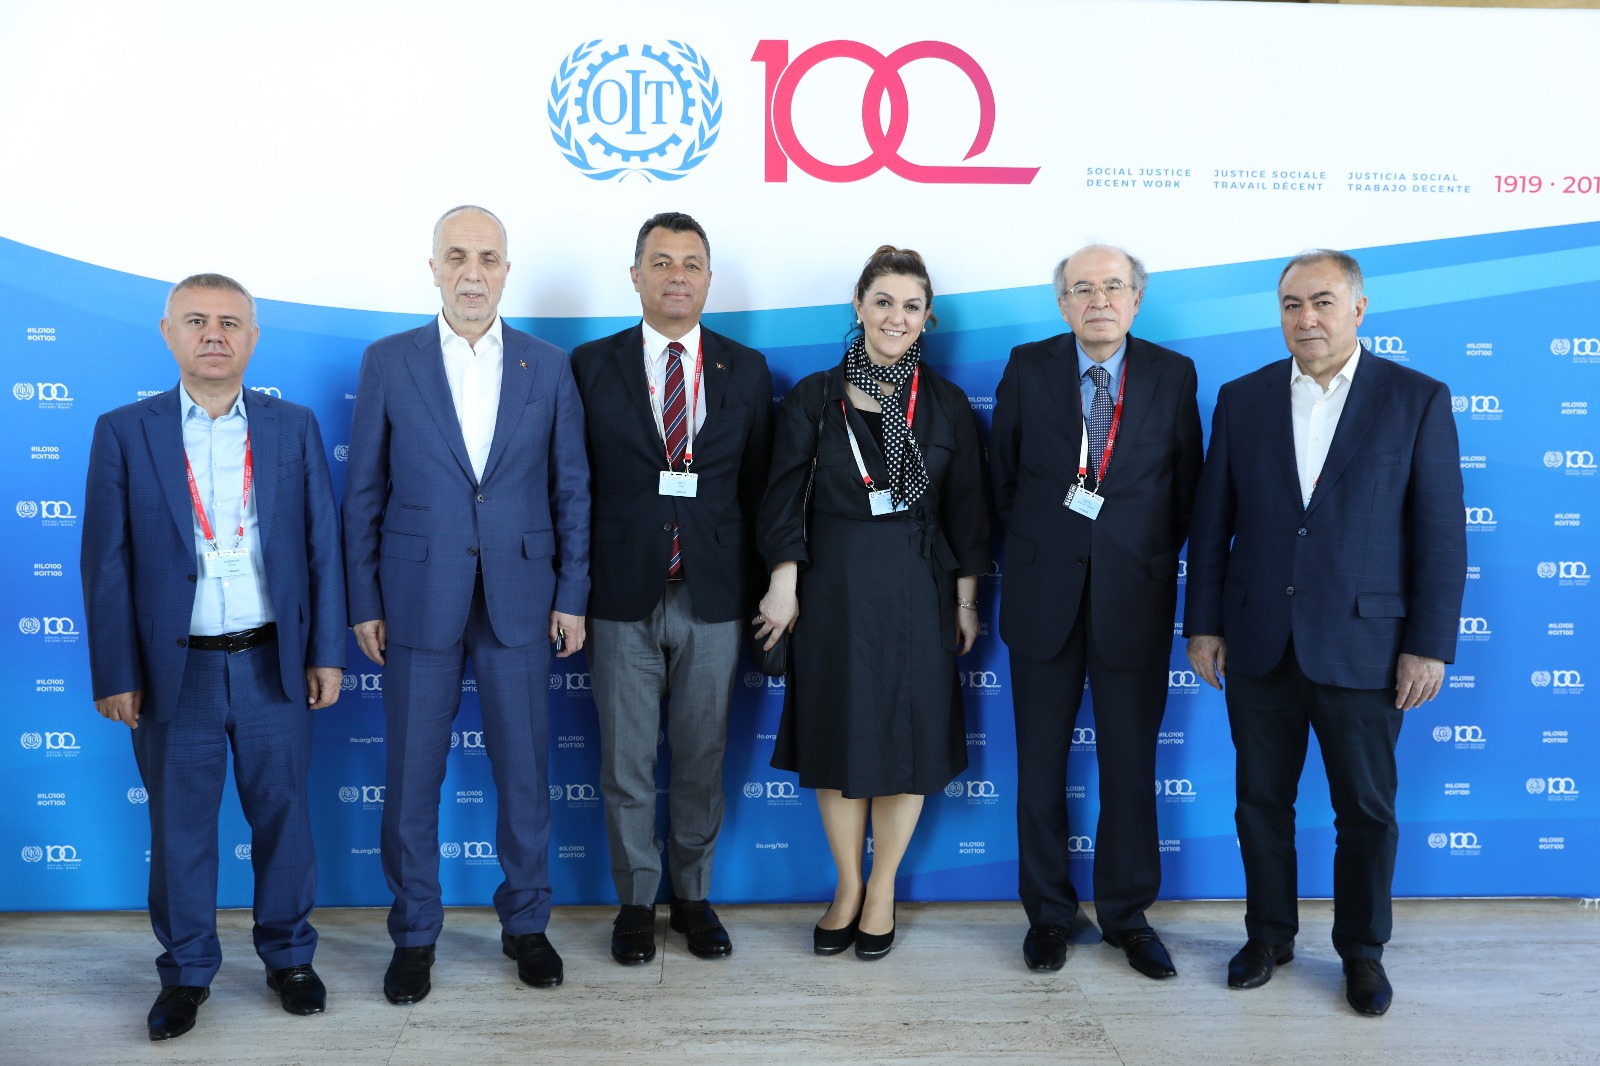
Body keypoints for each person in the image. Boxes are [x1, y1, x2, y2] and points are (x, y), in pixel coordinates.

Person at [1185, 249, 1466, 1017]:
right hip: (1258, 640)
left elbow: (1441, 535)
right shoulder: (1241, 399)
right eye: (1291, 305)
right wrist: (1203, 624)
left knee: (1366, 812)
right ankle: (1268, 937)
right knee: (1259, 803)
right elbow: (1212, 526)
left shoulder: (1416, 398)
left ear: (1358, 309)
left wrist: (1428, 643)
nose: (1305, 318)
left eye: (1322, 302)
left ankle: (1363, 953)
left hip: (1366, 645)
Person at [81, 273, 346, 1040]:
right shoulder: (124, 432)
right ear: (168, 332)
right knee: (180, 830)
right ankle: (187, 973)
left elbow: (322, 548)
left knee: (285, 818)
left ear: (253, 338)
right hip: (176, 671)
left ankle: (289, 958)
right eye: (195, 320)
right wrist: (117, 672)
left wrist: (326, 651)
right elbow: (105, 563)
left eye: (230, 322)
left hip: (272, 660)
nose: (213, 335)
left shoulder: (292, 427)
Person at [343, 205, 590, 1003]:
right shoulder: (389, 361)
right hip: (415, 597)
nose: (472, 273)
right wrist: (363, 600)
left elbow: (572, 489)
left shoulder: (549, 366)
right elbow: (363, 493)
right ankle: (414, 934)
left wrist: (574, 594)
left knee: (525, 774)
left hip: (524, 597)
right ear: (434, 268)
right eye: (457, 256)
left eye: (487, 258)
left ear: (506, 270)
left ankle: (527, 924)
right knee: (412, 778)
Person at [755, 246, 990, 961]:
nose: (896, 317)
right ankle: (848, 886)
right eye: (883, 301)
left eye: (911, 306)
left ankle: (883, 888)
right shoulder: (814, 397)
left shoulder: (946, 403)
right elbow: (781, 500)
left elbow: (968, 511)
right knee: (839, 738)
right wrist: (783, 585)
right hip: (832, 591)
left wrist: (966, 601)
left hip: (920, 590)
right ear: (858, 307)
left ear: (927, 318)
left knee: (907, 743)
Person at [990, 245, 1203, 978]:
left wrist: (1134, 553)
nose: (1099, 299)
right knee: (1039, 766)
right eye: (1082, 288)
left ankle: (1127, 916)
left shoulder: (1174, 374)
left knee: (1130, 766)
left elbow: (1186, 491)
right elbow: (1002, 479)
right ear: (1063, 304)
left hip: (1134, 598)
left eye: (1114, 286)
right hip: (1043, 595)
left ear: (1136, 299)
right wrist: (1050, 546)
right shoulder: (1028, 366)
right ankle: (1048, 914)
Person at [570, 212, 773, 964]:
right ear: (636, 276)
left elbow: (758, 490)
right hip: (620, 594)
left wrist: (766, 589)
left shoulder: (746, 369)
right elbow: (573, 487)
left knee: (701, 757)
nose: (676, 275)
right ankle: (635, 902)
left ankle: (691, 897)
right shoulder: (590, 366)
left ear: (709, 279)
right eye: (661, 262)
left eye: (691, 263)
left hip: (713, 596)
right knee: (626, 763)